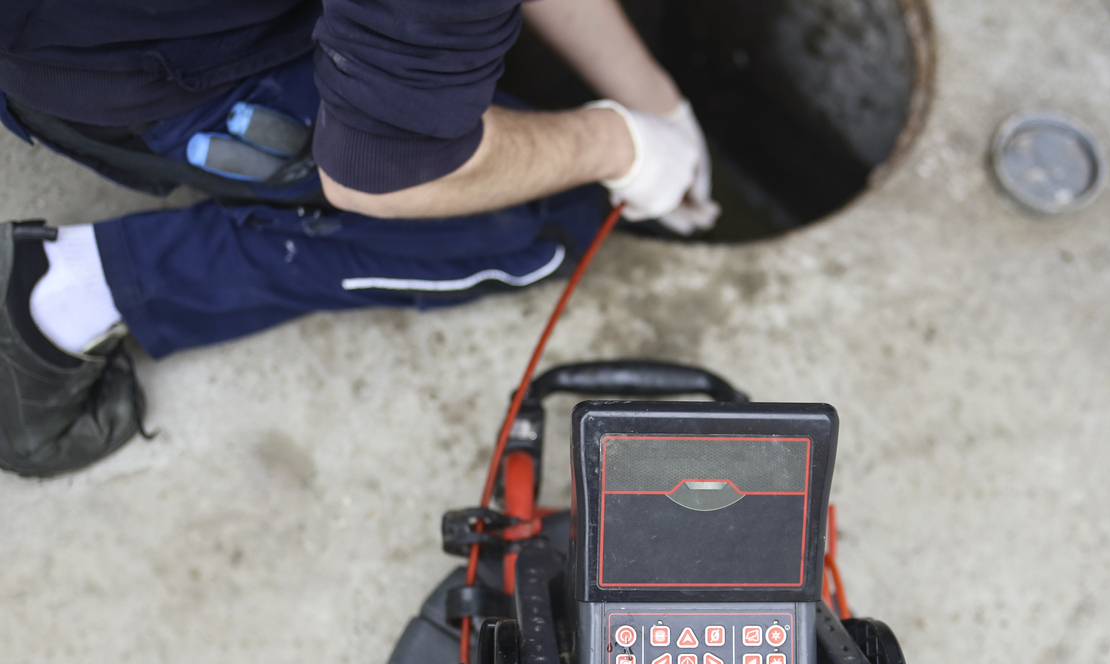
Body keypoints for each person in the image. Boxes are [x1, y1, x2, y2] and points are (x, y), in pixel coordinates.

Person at [0, 0, 719, 477]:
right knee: (552, 220)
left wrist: (655, 102)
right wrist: (617, 147)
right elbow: (383, 172)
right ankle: (63, 293)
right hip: (124, 73)